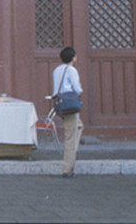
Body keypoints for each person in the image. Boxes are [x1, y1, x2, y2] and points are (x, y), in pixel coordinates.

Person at [52, 46, 84, 177]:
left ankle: (72, 156)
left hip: (60, 104)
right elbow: (76, 88)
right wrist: (80, 91)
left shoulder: (57, 70)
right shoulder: (72, 70)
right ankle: (67, 169)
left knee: (79, 126)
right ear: (73, 58)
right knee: (70, 137)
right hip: (70, 105)